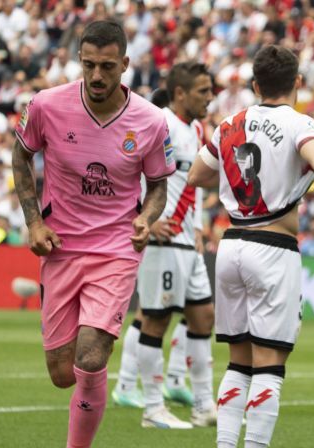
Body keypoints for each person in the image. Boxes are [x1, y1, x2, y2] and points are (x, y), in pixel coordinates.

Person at [11, 20, 174, 448]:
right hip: (61, 248)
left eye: (107, 66)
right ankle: (92, 367)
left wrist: (146, 218)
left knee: (90, 357)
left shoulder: (149, 121)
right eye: (88, 65)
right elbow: (21, 157)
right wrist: (33, 222)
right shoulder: (46, 105)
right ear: (78, 61)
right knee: (62, 372)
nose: (97, 75)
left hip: (116, 252)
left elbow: (159, 185)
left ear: (125, 65)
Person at [188, 45, 314, 448]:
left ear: (255, 85)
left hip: (231, 243)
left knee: (237, 360)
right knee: (270, 363)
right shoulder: (299, 122)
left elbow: (198, 174)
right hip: (273, 246)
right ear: (296, 83)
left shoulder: (229, 124)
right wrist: (307, 173)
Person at [111, 62, 217, 429]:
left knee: (203, 318)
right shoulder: (158, 124)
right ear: (181, 94)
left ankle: (205, 405)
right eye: (203, 91)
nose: (210, 96)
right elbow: (125, 173)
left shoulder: (199, 129)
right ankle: (153, 408)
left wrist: (200, 225)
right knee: (155, 320)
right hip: (163, 243)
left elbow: (196, 184)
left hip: (188, 241)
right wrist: (143, 220)